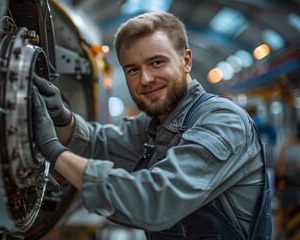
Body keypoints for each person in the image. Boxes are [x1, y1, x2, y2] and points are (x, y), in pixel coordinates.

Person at [32, 11, 272, 240]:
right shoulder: (155, 123)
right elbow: (100, 144)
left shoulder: (223, 122)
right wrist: (63, 120)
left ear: (186, 61)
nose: (145, 79)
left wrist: (54, 151)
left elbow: (155, 202)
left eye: (156, 63)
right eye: (133, 70)